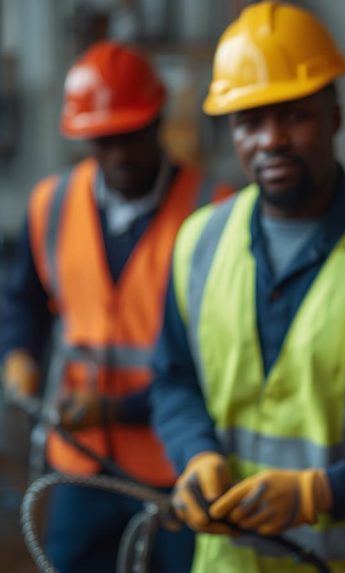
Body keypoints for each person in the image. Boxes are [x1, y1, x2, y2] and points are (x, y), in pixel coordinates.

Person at [149, 3, 345, 571]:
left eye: (293, 115)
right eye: (250, 120)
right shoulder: (199, 241)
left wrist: (323, 491)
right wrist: (195, 454)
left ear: (334, 114)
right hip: (226, 562)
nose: (271, 140)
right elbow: (173, 379)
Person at [0, 41, 229, 572]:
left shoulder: (213, 212)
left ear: (157, 121)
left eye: (129, 135)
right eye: (103, 141)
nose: (119, 154)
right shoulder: (51, 205)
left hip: (177, 463)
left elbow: (223, 356)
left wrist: (116, 410)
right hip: (80, 466)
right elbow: (25, 302)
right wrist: (19, 359)